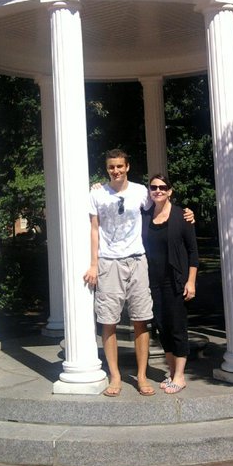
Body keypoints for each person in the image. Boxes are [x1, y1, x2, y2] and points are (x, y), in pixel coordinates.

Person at [83, 149, 194, 397]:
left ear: (127, 167)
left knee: (141, 320)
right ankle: (115, 377)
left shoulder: (141, 192)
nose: (116, 171)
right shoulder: (97, 194)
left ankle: (142, 376)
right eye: (111, 167)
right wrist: (93, 264)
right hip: (108, 262)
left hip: (137, 261)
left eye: (120, 166)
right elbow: (94, 229)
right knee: (108, 321)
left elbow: (162, 205)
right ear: (107, 168)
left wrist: (186, 213)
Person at [141, 174, 198, 394]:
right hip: (153, 282)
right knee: (162, 327)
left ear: (170, 191)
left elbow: (193, 252)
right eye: (154, 187)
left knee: (177, 327)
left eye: (163, 187)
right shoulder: (145, 216)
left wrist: (191, 282)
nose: (158, 190)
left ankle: (180, 376)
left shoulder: (182, 216)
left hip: (175, 281)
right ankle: (172, 371)